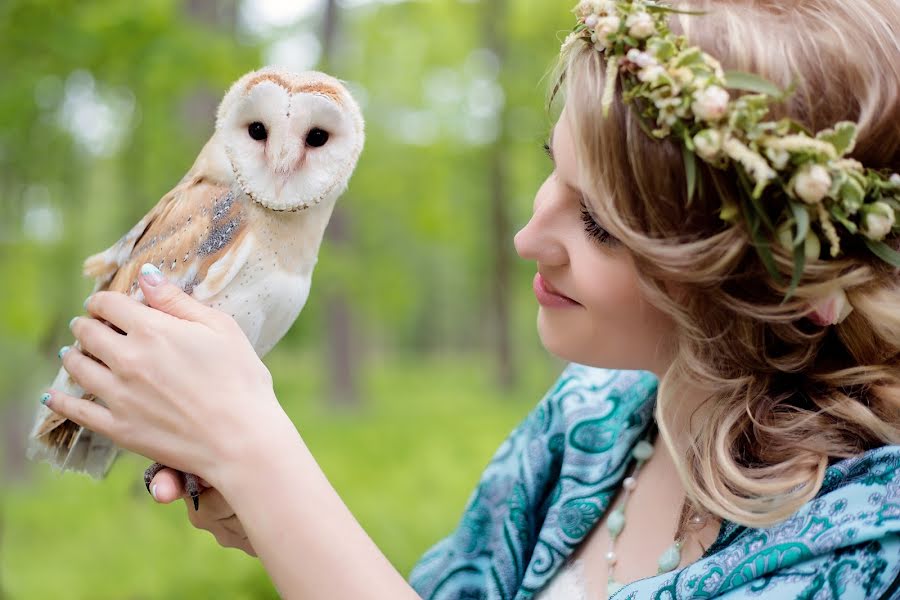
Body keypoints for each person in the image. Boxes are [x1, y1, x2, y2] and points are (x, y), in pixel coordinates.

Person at [42, 0, 900, 597]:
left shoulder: (867, 541)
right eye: (551, 169)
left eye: (600, 224)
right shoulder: (595, 424)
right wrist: (263, 512)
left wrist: (260, 459)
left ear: (792, 283)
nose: (529, 237)